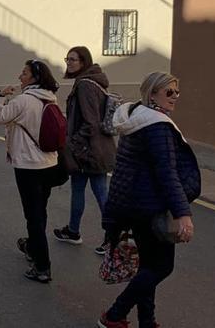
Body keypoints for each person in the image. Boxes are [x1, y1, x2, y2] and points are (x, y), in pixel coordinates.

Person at [98, 72, 200, 328]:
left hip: (132, 203)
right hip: (150, 206)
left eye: (177, 92)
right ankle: (115, 314)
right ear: (152, 93)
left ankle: (147, 320)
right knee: (162, 266)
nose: (175, 97)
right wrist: (182, 213)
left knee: (148, 265)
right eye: (169, 92)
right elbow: (167, 172)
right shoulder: (158, 127)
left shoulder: (135, 119)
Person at [0, 60, 63, 283]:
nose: (20, 76)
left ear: (34, 78)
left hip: (28, 166)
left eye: (24, 73)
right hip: (50, 163)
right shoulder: (50, 98)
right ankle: (33, 247)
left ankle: (42, 266)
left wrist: (0, 97)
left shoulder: (23, 101)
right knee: (41, 210)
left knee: (33, 217)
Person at [54, 46, 117, 254]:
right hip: (92, 149)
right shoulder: (92, 82)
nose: (69, 63)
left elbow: (91, 123)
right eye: (68, 59)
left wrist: (72, 143)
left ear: (84, 63)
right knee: (81, 189)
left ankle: (113, 238)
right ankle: (73, 231)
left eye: (74, 60)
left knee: (100, 193)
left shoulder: (85, 86)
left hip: (89, 151)